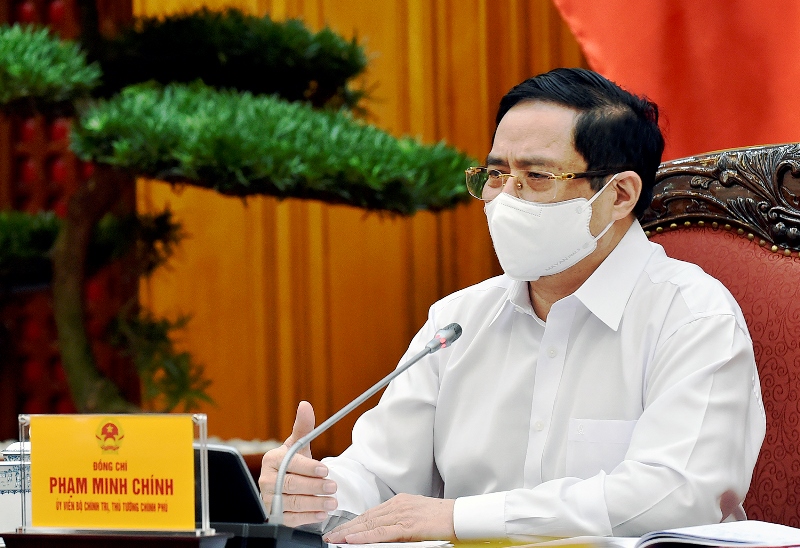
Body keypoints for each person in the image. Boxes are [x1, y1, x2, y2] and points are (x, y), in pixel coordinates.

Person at [259, 68, 766, 542]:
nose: (505, 198)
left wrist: (460, 519)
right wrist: (312, 493)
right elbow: (378, 475)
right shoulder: (456, 322)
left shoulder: (693, 317)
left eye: (537, 176)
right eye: (497, 174)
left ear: (619, 195)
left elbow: (675, 496)